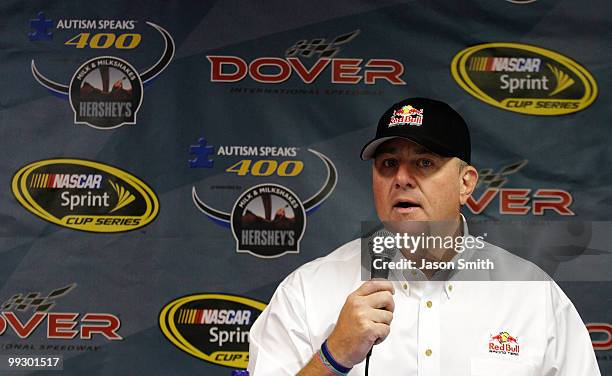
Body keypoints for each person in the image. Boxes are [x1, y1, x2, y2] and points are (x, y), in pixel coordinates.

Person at [247, 98, 600, 375]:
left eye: (425, 163)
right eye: (388, 164)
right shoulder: (309, 291)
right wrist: (333, 357)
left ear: (466, 183)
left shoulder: (533, 297)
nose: (401, 178)